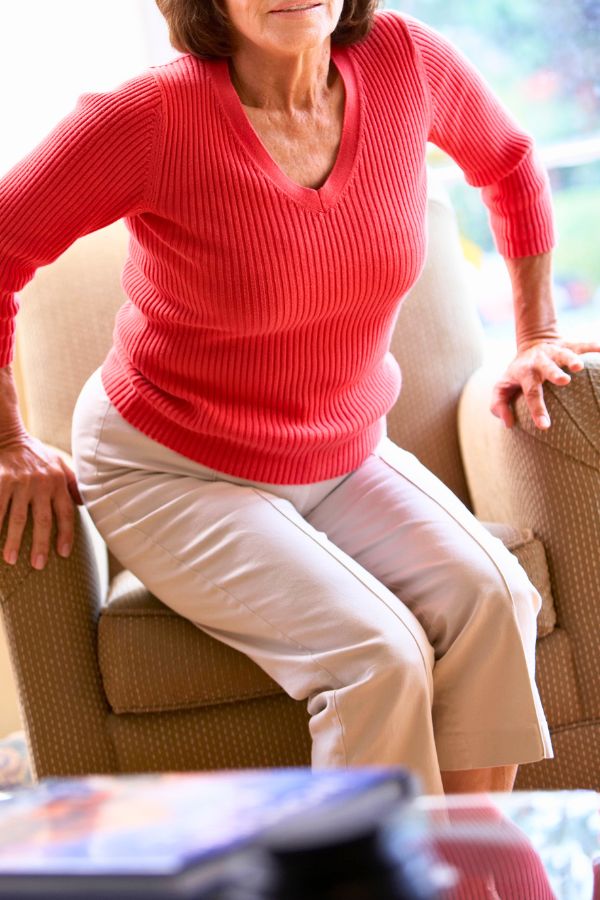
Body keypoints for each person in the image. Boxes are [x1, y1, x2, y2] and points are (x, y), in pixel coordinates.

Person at [0, 0, 597, 797]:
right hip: (172, 467)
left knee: (496, 599)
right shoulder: (149, 118)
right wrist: (8, 439)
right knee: (376, 659)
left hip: (340, 451)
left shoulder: (405, 62)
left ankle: (461, 866)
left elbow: (509, 159)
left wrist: (538, 332)